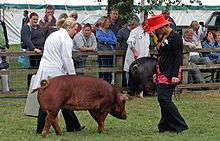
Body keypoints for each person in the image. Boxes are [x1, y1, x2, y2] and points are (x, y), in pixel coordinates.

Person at [31, 18, 85, 134]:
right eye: (75, 29)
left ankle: (74, 125)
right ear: (68, 28)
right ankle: (42, 128)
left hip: (45, 69)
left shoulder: (53, 35)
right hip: (55, 72)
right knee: (55, 100)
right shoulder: (66, 39)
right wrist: (72, 76)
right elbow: (67, 58)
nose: (75, 32)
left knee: (54, 99)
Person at [145, 15, 188, 133]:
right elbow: (160, 55)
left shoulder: (176, 37)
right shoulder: (163, 36)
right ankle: (165, 125)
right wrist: (155, 72)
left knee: (164, 99)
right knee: (163, 99)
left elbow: (178, 56)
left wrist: (174, 75)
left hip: (170, 72)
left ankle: (180, 124)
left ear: (163, 27)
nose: (156, 31)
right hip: (161, 70)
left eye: (157, 29)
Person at [123, 19, 150, 95]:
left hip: (143, 59)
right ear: (143, 25)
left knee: (141, 75)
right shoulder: (135, 31)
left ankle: (139, 91)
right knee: (131, 73)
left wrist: (148, 54)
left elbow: (147, 46)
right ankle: (130, 90)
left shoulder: (147, 33)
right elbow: (130, 41)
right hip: (133, 57)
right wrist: (134, 51)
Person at [21, 12, 45, 89]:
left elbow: (42, 36)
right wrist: (34, 48)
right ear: (30, 19)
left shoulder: (39, 27)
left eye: (37, 19)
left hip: (41, 51)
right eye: (34, 19)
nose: (35, 21)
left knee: (39, 70)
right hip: (32, 52)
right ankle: (30, 87)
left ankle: (38, 86)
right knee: (32, 70)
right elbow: (26, 40)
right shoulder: (26, 28)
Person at [96, 16, 116, 83]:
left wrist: (106, 41)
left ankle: (109, 84)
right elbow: (100, 39)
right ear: (103, 23)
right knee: (103, 70)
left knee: (110, 70)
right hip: (102, 54)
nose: (109, 23)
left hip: (110, 53)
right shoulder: (98, 31)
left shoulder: (110, 31)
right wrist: (109, 40)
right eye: (108, 22)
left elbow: (114, 40)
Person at [0, 19, 10, 92]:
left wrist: (7, 42)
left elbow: (5, 33)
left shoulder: (2, 23)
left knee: (5, 66)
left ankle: (6, 88)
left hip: (3, 47)